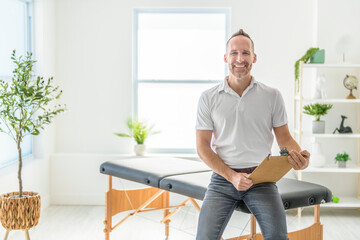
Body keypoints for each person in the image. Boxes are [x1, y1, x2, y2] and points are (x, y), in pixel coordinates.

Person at [195, 29, 310, 240]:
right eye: (234, 53)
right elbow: (203, 147)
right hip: (222, 180)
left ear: (254, 57)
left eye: (246, 53)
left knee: (277, 237)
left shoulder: (272, 96)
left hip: (262, 178)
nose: (240, 59)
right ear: (225, 58)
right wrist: (232, 176)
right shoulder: (208, 98)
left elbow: (284, 138)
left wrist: (298, 156)